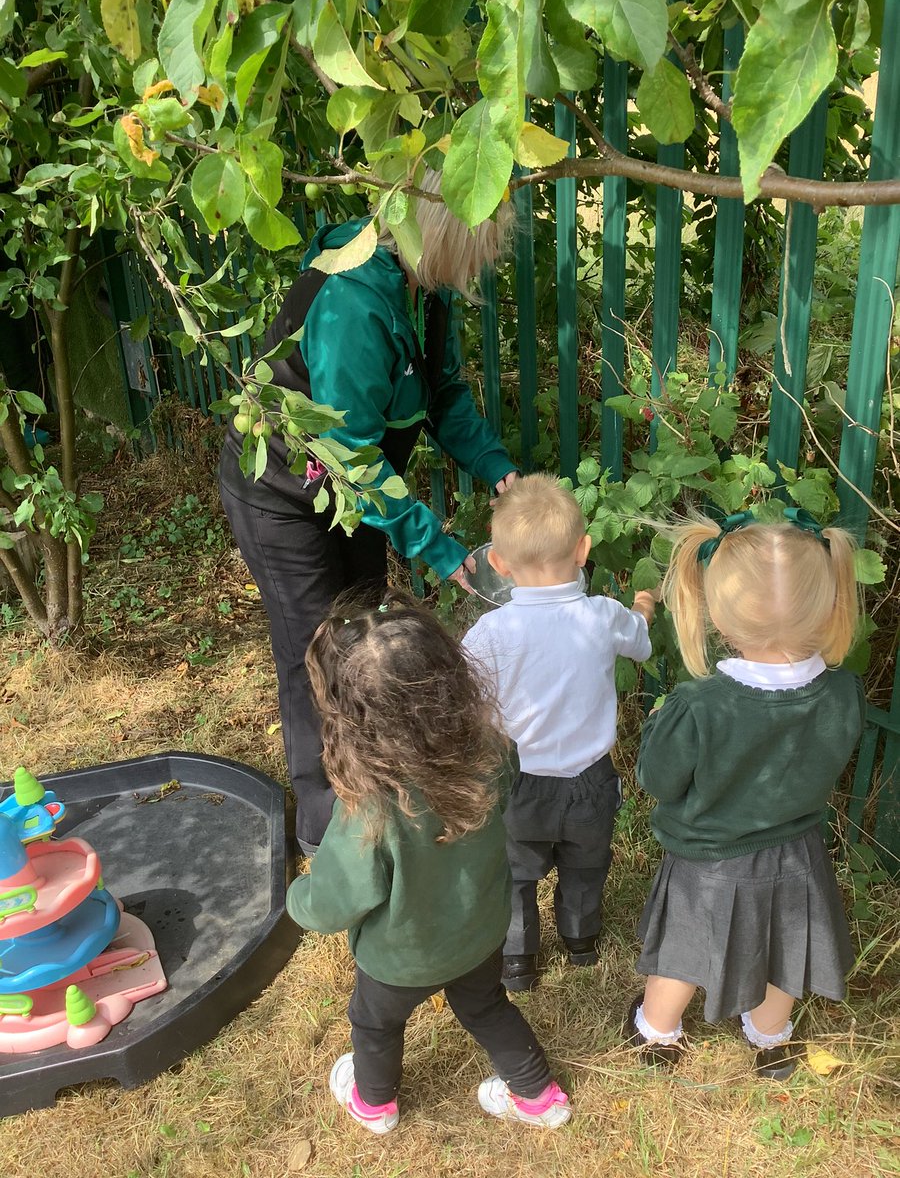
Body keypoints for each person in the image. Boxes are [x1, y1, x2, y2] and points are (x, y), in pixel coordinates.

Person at [218, 171, 518, 852]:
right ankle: (327, 833)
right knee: (317, 654)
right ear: (442, 232)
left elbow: (440, 393)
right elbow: (351, 453)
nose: (477, 270)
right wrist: (441, 551)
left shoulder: (419, 286)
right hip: (285, 496)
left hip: (349, 496)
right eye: (476, 250)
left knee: (366, 639)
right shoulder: (355, 299)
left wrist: (498, 469)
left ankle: (374, 787)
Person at [285, 596, 571, 1133]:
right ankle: (538, 1097)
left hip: (401, 959)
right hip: (480, 933)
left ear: (348, 714)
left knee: (373, 1024)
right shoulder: (492, 752)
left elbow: (328, 906)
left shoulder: (371, 810)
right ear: (451, 679)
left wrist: (297, 897)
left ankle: (374, 1103)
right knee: (486, 1007)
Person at [626, 509, 865, 1080]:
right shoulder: (844, 693)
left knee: (682, 951)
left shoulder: (699, 705)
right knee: (786, 948)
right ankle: (770, 1038)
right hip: (799, 853)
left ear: (721, 619)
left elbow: (657, 781)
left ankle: (657, 1035)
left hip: (707, 861)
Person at [463, 475, 657, 992]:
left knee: (515, 874)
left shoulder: (490, 633)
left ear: (499, 565)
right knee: (587, 864)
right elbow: (639, 643)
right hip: (590, 779)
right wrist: (643, 608)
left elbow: (469, 705)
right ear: (583, 549)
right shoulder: (600, 616)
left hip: (520, 780)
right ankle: (580, 941)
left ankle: (518, 960)